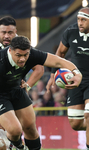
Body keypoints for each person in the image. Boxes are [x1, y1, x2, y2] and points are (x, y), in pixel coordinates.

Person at [0, 36, 82, 150]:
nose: (22, 59)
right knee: (15, 129)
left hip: (16, 90)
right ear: (10, 50)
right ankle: (18, 148)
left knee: (30, 127)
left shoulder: (33, 54)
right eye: (18, 55)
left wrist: (77, 73)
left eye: (25, 55)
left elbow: (58, 61)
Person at [46, 7, 89, 149]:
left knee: (88, 116)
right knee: (76, 123)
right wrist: (53, 74)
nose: (79, 23)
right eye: (78, 19)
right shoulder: (70, 32)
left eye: (83, 20)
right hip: (76, 81)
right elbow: (60, 54)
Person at [0, 16, 44, 92]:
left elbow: (39, 68)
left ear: (15, 32)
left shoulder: (24, 46)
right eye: (3, 32)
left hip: (17, 91)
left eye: (10, 33)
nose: (6, 36)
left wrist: (27, 86)